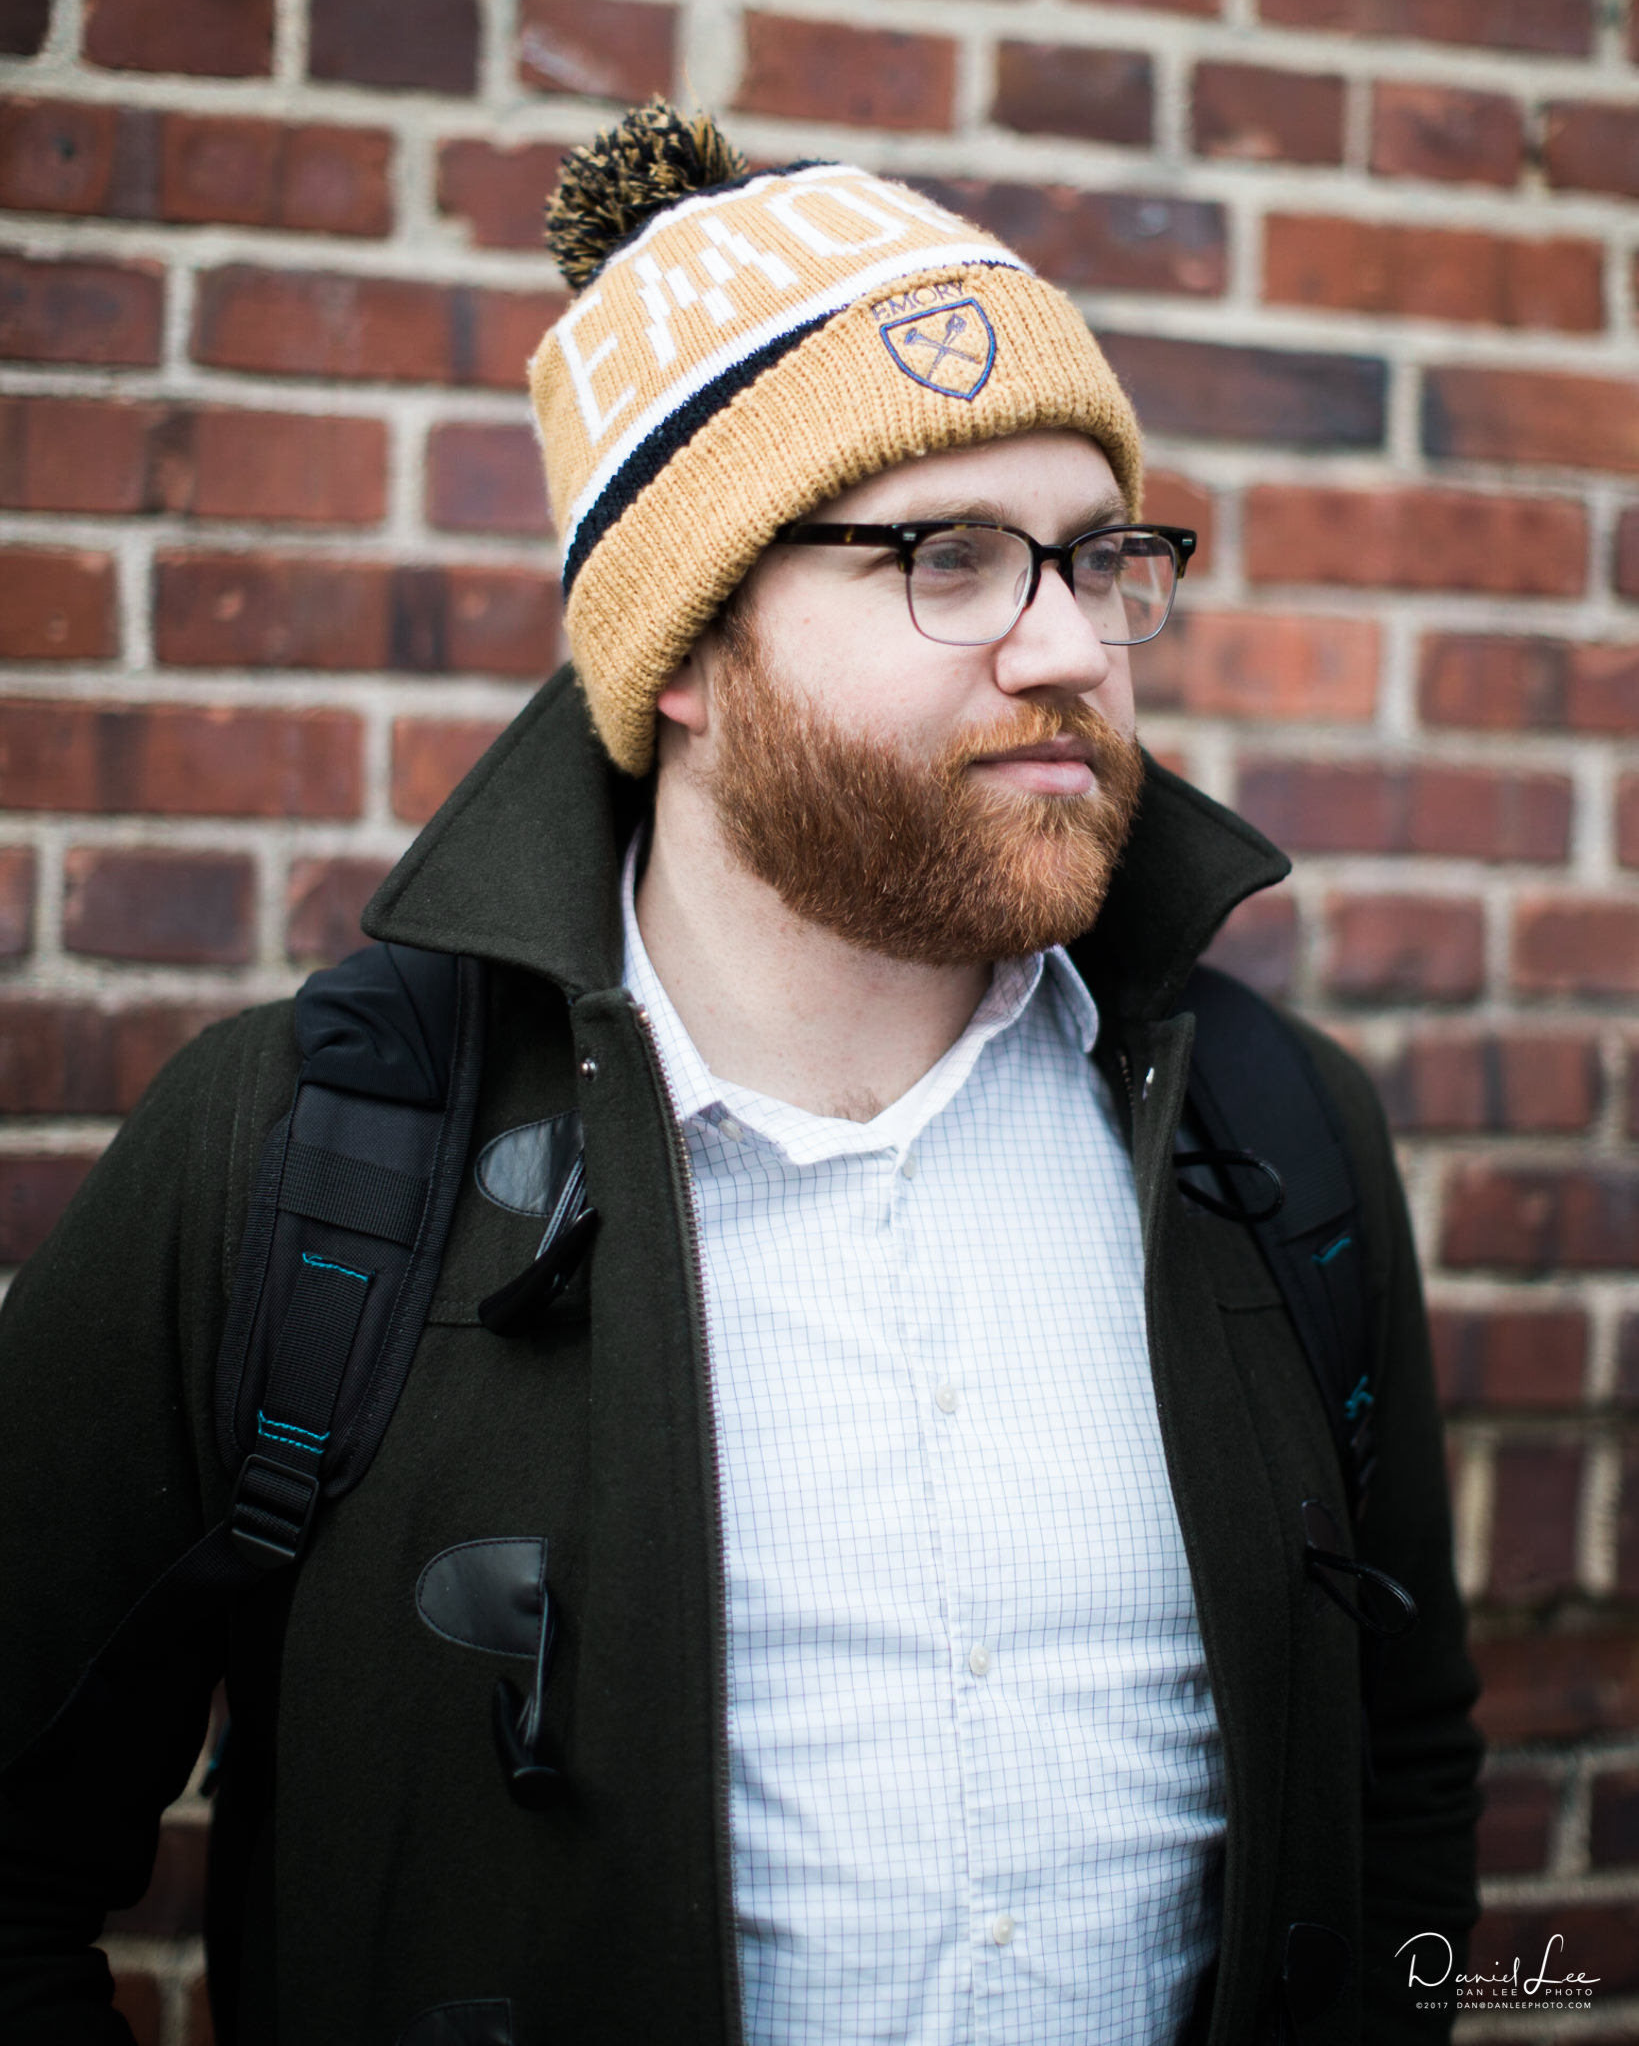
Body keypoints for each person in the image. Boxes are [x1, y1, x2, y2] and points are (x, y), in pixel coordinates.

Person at [0, 101, 1480, 2046]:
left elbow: (1404, 1771)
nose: (1068, 648)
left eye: (1096, 554)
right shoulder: (298, 1157)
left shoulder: (1269, 1135)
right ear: (682, 650)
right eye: (946, 557)